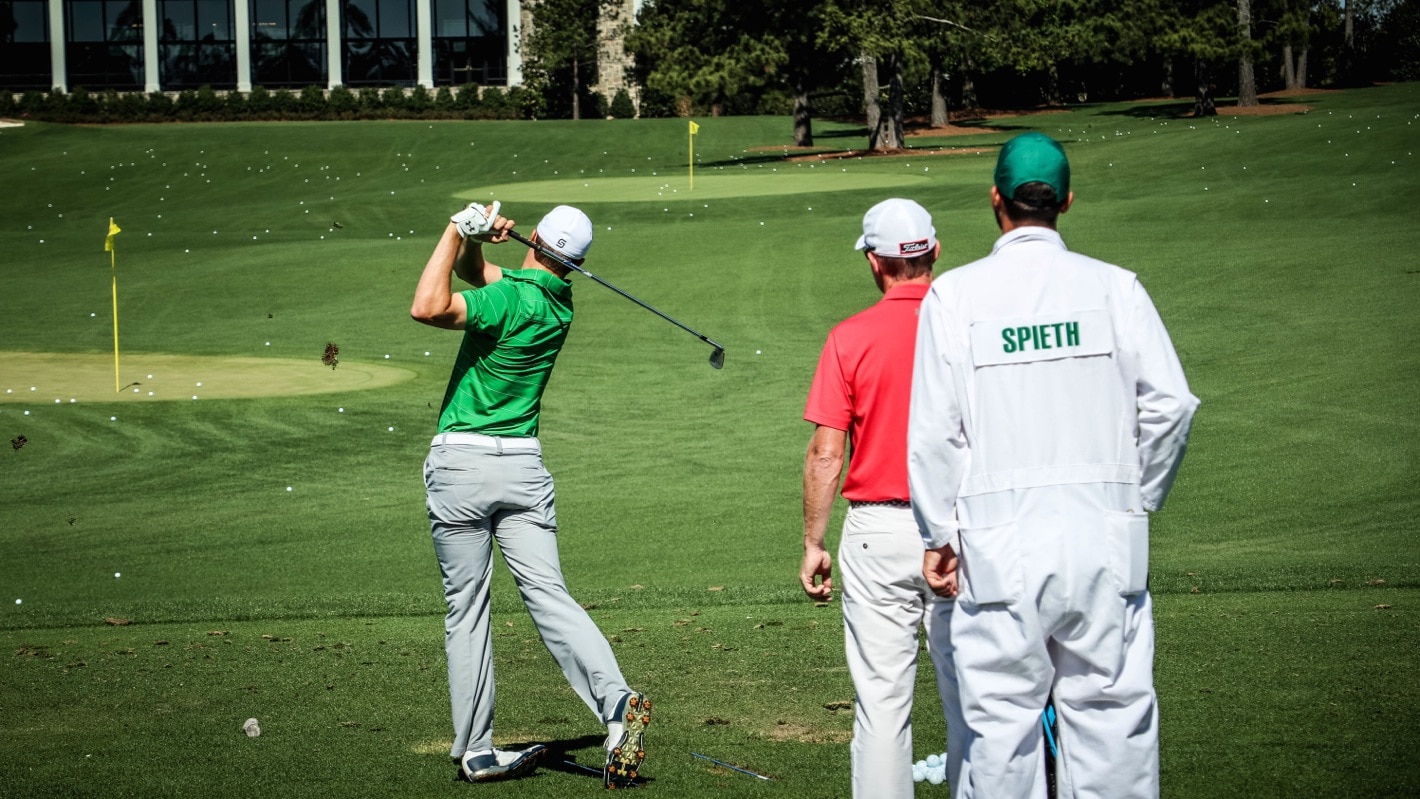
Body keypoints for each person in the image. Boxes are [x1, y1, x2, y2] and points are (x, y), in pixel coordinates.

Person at [908, 132, 1200, 799]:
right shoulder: (1115, 288)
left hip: (997, 543)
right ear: (1066, 201)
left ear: (996, 200)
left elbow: (933, 434)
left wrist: (938, 535)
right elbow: (1172, 405)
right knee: (1113, 725)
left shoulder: (955, 296)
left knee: (999, 734)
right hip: (1106, 541)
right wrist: (1139, 493)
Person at [410, 201, 650, 788]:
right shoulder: (556, 301)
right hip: (522, 469)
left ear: (534, 235)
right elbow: (477, 274)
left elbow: (428, 307)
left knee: (467, 608)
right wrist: (474, 243)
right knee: (549, 594)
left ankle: (477, 750)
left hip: (461, 467)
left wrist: (453, 229)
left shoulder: (509, 297)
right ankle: (616, 701)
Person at [800, 198, 968, 799]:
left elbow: (827, 454)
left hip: (878, 532)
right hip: (965, 531)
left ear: (875, 262)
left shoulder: (849, 337)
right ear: (935, 251)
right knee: (974, 699)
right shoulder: (970, 325)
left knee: (881, 705)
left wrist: (814, 541)